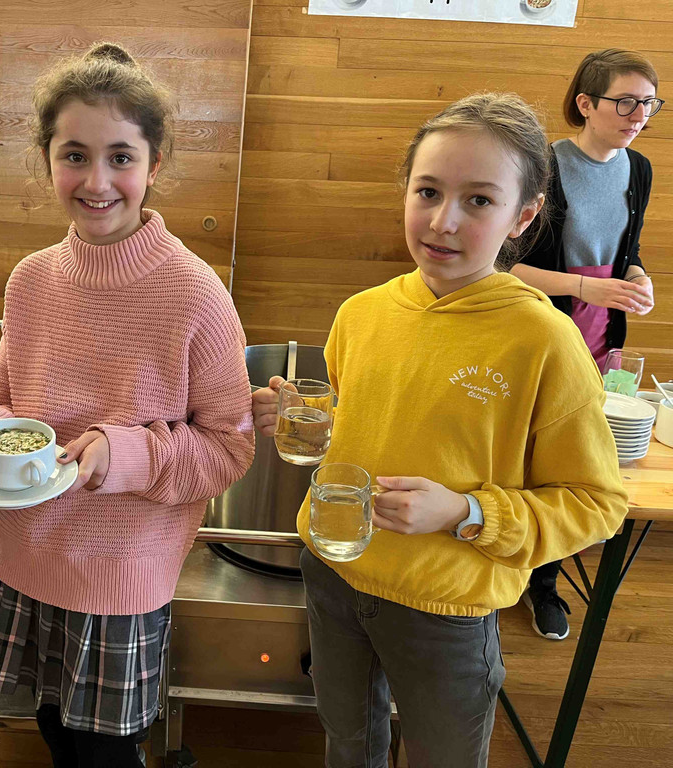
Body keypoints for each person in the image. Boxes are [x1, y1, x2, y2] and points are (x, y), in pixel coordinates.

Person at [252, 93, 627, 768]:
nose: (443, 220)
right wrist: (311, 425)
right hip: (332, 574)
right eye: (427, 191)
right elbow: (364, 426)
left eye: (479, 200)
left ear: (523, 216)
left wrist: (465, 511)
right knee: (347, 740)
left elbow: (596, 504)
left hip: (446, 607)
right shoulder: (362, 313)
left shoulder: (543, 340)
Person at [0, 42, 254, 768]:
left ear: (154, 164)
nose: (97, 180)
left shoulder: (194, 291)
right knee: (53, 728)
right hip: (29, 552)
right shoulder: (31, 280)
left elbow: (229, 447)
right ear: (46, 159)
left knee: (103, 754)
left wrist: (127, 452)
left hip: (123, 572)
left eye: (121, 157)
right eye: (74, 155)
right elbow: (6, 398)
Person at [511, 48, 661, 641]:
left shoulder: (639, 169)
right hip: (541, 330)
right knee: (521, 454)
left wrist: (639, 278)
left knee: (568, 462)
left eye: (648, 103)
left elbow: (629, 250)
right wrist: (582, 287)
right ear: (586, 103)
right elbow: (505, 268)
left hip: (602, 332)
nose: (639, 115)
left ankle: (543, 584)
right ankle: (502, 564)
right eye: (625, 102)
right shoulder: (543, 168)